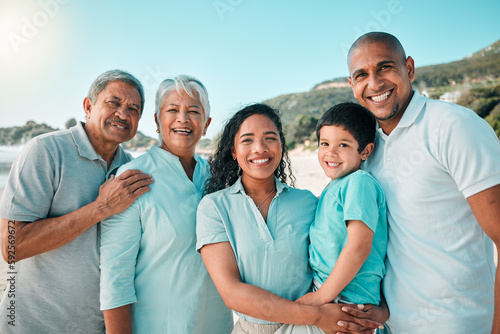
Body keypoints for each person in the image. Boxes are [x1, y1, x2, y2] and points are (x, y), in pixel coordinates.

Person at [347, 31, 500, 333]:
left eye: (385, 67)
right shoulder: (366, 150)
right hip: (394, 327)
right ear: (353, 86)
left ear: (410, 68)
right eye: (361, 74)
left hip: (463, 324)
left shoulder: (454, 127)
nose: (374, 83)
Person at [197, 103, 387, 334]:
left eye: (270, 138)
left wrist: (381, 309)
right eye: (247, 140)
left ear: (281, 145)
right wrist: (317, 314)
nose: (259, 148)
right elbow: (232, 293)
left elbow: (360, 250)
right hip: (285, 323)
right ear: (234, 150)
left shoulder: (308, 202)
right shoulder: (214, 207)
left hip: (318, 324)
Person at [0, 69, 154, 333]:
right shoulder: (45, 151)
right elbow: (12, 247)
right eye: (114, 102)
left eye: (133, 108)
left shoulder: (132, 168)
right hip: (33, 325)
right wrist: (99, 209)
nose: (123, 114)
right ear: (88, 105)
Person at [99, 75, 233, 334]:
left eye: (193, 111)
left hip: (217, 326)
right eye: (172, 110)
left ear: (206, 125)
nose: (183, 118)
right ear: (157, 120)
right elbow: (115, 277)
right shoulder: (131, 178)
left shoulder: (219, 178)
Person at [278, 103, 388, 334]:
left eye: (343, 145)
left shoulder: (359, 183)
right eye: (325, 144)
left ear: (365, 151)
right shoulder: (336, 186)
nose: (331, 153)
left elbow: (359, 246)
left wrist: (321, 297)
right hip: (333, 294)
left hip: (345, 302)